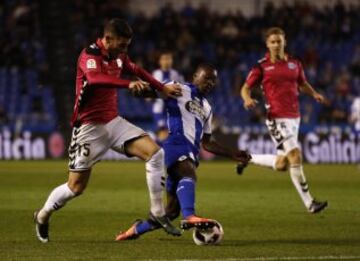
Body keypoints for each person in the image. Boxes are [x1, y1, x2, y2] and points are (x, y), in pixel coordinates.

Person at [33, 18, 183, 243]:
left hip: (113, 123)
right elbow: (94, 79)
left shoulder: (120, 55)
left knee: (155, 154)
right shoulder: (89, 55)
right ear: (107, 39)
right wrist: (127, 84)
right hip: (89, 129)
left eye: (127, 45)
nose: (125, 50)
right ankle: (43, 215)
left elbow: (136, 69)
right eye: (122, 45)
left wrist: (162, 88)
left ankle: (158, 213)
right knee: (75, 187)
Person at [115, 64, 251, 241]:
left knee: (171, 212)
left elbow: (207, 143)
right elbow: (151, 92)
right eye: (206, 78)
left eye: (213, 81)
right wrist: (139, 89)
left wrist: (231, 153)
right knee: (188, 173)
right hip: (175, 144)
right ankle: (190, 215)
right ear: (195, 76)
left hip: (191, 153)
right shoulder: (179, 88)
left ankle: (135, 230)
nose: (210, 83)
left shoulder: (207, 108)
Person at [239, 27, 328, 214]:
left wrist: (314, 94)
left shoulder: (295, 64)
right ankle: (310, 203)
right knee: (295, 155)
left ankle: (246, 158)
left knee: (282, 164)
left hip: (295, 117)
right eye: (273, 41)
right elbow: (245, 88)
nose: (276, 44)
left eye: (279, 41)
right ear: (267, 44)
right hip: (276, 117)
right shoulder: (261, 66)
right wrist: (247, 99)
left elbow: (302, 83)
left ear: (284, 42)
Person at [152, 51, 184, 142]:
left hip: (173, 109)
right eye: (164, 59)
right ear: (160, 61)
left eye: (169, 58)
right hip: (159, 110)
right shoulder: (156, 74)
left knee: (172, 135)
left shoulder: (176, 74)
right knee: (163, 133)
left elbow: (183, 90)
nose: (167, 61)